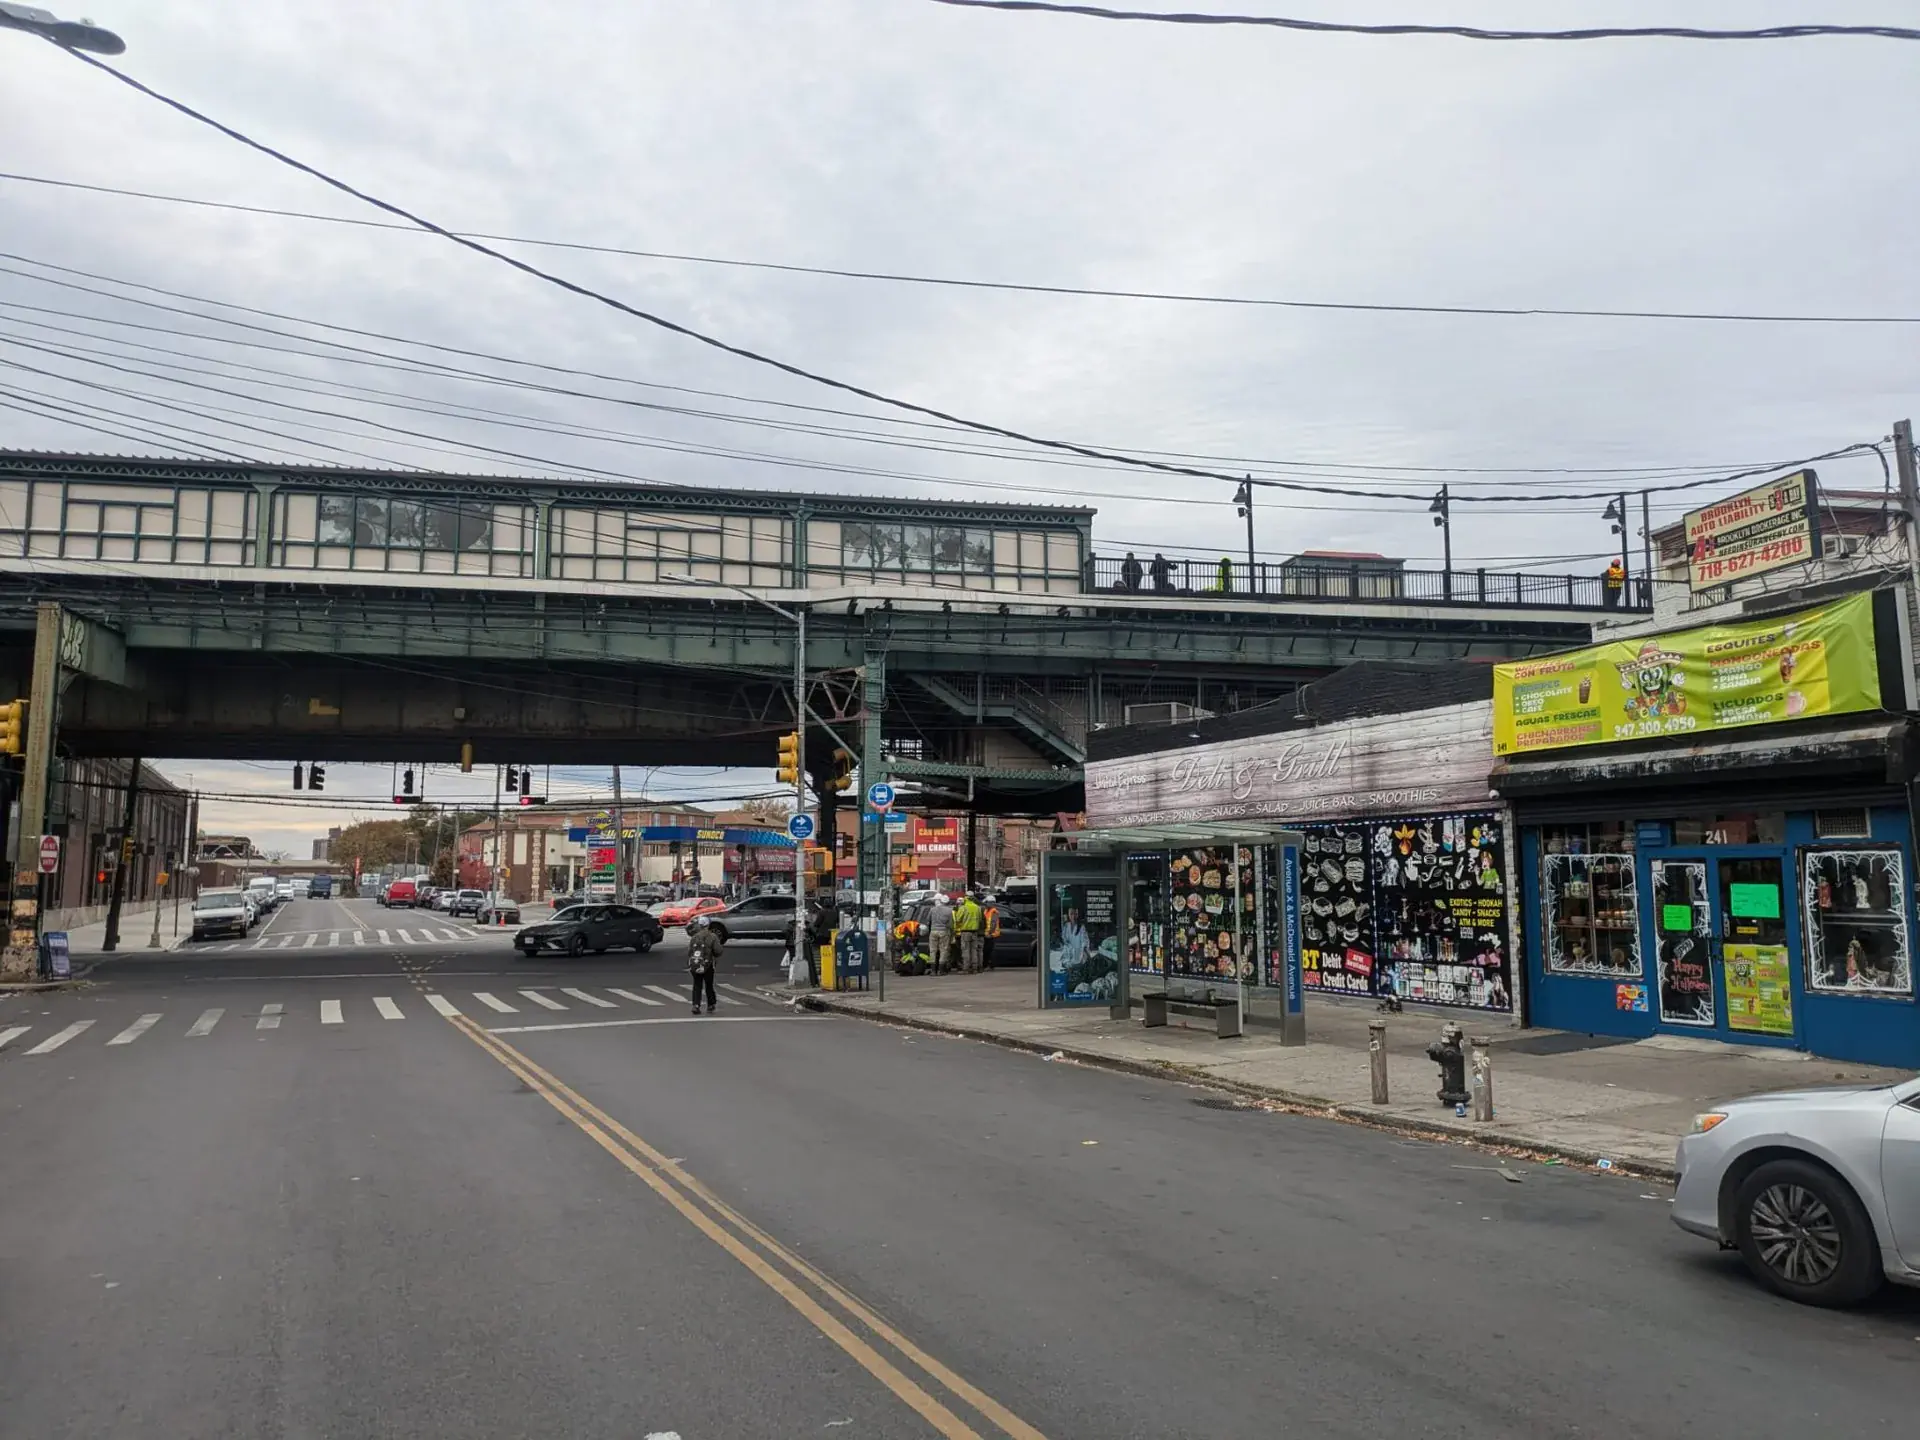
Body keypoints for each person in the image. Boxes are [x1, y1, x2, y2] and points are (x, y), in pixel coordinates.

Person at [687, 914, 721, 1014]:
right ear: (708, 925)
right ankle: (711, 1004)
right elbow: (718, 951)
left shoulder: (694, 937)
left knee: (697, 985)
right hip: (708, 964)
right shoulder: (712, 936)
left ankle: (696, 1005)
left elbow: (690, 951)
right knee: (709, 985)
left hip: (696, 963)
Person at [953, 889, 984, 973]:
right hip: (975, 932)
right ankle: (975, 968)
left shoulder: (963, 907)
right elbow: (980, 919)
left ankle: (966, 968)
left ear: (966, 897)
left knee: (965, 950)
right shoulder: (977, 907)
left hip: (965, 932)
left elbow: (958, 919)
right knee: (974, 950)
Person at [927, 889, 954, 974]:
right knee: (943, 950)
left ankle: (933, 970)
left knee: (932, 950)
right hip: (944, 931)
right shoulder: (949, 911)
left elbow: (928, 921)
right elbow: (950, 924)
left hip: (933, 931)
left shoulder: (932, 909)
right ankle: (941, 970)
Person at [981, 893, 1001, 970]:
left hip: (992, 934)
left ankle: (990, 965)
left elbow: (993, 923)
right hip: (987, 934)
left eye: (987, 902)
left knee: (989, 950)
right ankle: (988, 964)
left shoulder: (994, 912)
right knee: (987, 950)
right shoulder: (986, 910)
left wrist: (989, 933)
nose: (986, 904)